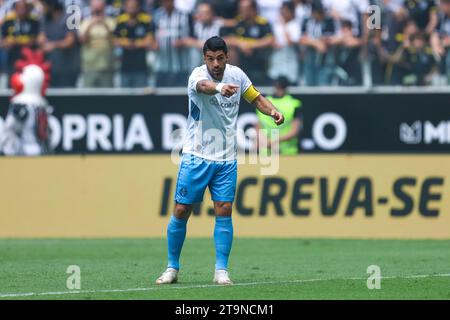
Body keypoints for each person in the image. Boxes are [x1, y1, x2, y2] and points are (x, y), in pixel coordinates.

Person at [155, 36, 284, 285]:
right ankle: (172, 267)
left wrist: (272, 111)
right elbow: (203, 86)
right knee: (182, 210)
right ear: (205, 58)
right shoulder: (196, 76)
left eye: (220, 58)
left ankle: (221, 270)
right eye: (211, 59)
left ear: (227, 56)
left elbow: (256, 97)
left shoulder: (237, 75)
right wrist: (218, 88)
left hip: (226, 158)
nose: (216, 63)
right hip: (196, 154)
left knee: (224, 210)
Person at [222, 0, 274, 86]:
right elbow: (227, 39)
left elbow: (270, 40)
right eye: (241, 8)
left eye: (245, 9)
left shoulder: (262, 23)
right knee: (230, 51)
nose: (241, 11)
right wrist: (240, 44)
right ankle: (234, 79)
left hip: (260, 57)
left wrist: (250, 45)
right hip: (242, 58)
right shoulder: (238, 22)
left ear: (253, 9)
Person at [114, 0, 155, 88]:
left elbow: (150, 41)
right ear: (125, 7)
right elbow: (115, 40)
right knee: (125, 97)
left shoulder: (146, 19)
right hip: (125, 66)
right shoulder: (121, 20)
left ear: (138, 7)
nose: (131, 9)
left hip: (141, 66)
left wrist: (134, 44)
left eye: (134, 6)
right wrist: (126, 43)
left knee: (140, 97)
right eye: (129, 7)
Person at [256, 76, 302, 156]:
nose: (279, 90)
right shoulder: (264, 102)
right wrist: (264, 141)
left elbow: (295, 131)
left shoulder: (294, 104)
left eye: (281, 87)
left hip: (287, 151)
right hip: (267, 151)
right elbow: (258, 127)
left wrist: (274, 141)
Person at [38, 0, 78, 88]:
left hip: (68, 67)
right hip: (50, 67)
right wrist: (41, 40)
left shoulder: (70, 18)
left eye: (43, 5)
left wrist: (52, 45)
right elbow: (41, 37)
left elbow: (69, 41)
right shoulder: (44, 18)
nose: (42, 8)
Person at [79, 0, 116, 88]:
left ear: (104, 8)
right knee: (89, 95)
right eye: (95, 7)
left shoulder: (111, 22)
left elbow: (115, 40)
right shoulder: (85, 22)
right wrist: (91, 24)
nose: (97, 10)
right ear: (91, 8)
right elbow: (82, 40)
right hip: (90, 65)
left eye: (99, 7)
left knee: (107, 96)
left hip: (107, 65)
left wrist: (104, 23)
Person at [1, 0, 40, 78]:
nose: (22, 10)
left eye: (24, 7)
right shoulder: (8, 21)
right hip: (12, 56)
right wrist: (8, 42)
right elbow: (3, 41)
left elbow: (34, 40)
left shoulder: (33, 21)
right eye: (19, 7)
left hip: (29, 56)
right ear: (15, 8)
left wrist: (15, 41)